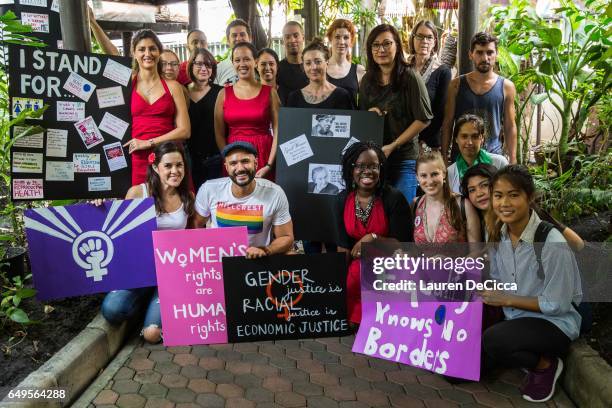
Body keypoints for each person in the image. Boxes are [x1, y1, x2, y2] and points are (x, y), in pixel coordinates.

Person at [481, 165, 582, 402]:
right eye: (498, 195)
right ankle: (522, 352)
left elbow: (557, 304)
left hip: (554, 323)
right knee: (465, 367)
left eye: (513, 195)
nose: (504, 203)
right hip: (515, 318)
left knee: (493, 341)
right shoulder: (497, 233)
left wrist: (507, 299)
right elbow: (498, 279)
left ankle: (545, 364)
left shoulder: (551, 241)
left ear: (530, 198)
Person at [101, 142, 194, 343]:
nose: (175, 171)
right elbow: (117, 229)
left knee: (152, 335)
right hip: (138, 271)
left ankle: (155, 305)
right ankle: (145, 301)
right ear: (155, 167)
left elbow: (195, 239)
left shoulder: (188, 198)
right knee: (112, 310)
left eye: (179, 165)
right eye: (168, 166)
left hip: (170, 272)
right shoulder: (138, 193)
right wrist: (96, 208)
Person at [336, 141, 413, 324]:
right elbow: (343, 246)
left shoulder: (393, 198)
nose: (367, 171)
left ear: (381, 169)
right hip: (358, 266)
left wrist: (373, 239)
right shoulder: (341, 200)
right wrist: (337, 284)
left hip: (389, 265)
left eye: (373, 166)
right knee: (351, 281)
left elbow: (404, 245)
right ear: (351, 169)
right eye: (360, 166)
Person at [359, 24, 433, 204]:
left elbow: (423, 119)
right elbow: (361, 117)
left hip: (404, 159)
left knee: (403, 212)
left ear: (397, 46)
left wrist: (393, 145)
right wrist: (369, 114)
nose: (381, 49)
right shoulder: (368, 79)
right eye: (375, 45)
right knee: (378, 213)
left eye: (387, 43)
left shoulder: (409, 77)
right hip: (375, 160)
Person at [193, 141, 294, 258]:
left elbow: (286, 237)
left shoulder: (274, 193)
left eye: (245, 161)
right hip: (219, 260)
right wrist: (206, 252)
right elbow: (196, 224)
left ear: (256, 163)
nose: (240, 168)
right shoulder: (209, 189)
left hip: (256, 261)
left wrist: (266, 250)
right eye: (233, 163)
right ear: (226, 167)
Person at [460, 164, 584, 251]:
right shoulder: (475, 220)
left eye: (484, 185)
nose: (479, 193)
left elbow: (577, 244)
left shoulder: (525, 214)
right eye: (472, 190)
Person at [125, 30, 190, 186]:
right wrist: (93, 23)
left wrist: (149, 142)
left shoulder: (173, 86)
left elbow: (185, 130)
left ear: (159, 52)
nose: (147, 53)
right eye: (141, 49)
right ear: (134, 53)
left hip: (170, 156)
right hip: (138, 157)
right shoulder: (127, 84)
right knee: (142, 207)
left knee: (175, 206)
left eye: (152, 48)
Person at [442, 32, 517, 164]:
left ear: (496, 54)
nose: (485, 58)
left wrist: (513, 159)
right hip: (461, 158)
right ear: (471, 54)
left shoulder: (506, 87)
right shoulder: (456, 85)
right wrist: (443, 157)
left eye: (489, 52)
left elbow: (510, 126)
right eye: (479, 52)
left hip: (492, 157)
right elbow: (448, 123)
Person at [214, 42, 280, 180]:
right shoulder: (223, 94)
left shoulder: (270, 93)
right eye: (237, 60)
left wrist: (269, 164)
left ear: (255, 62)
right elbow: (219, 134)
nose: (242, 64)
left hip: (263, 154)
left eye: (246, 59)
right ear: (232, 63)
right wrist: (227, 159)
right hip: (234, 156)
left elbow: (279, 130)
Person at [413, 151, 481, 243]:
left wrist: (447, 258)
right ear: (417, 177)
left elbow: (476, 252)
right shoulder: (415, 205)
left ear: (444, 173)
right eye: (423, 176)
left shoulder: (463, 205)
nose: (430, 181)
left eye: (434, 174)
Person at [408, 20, 452, 151]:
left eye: (429, 37)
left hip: (427, 143)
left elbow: (439, 114)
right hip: (401, 140)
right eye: (420, 36)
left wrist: (422, 140)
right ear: (413, 38)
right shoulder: (402, 67)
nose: (424, 41)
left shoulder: (443, 71)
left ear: (435, 42)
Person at [187, 48, 223, 188]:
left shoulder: (220, 91)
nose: (203, 68)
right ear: (191, 65)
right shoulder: (182, 90)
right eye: (199, 64)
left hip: (215, 158)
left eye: (208, 65)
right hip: (189, 159)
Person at [286, 38, 354, 110]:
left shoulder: (342, 96)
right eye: (308, 63)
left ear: (327, 63)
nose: (313, 67)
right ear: (303, 66)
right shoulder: (294, 98)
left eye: (318, 62)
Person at [447, 114, 508, 193]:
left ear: (482, 138)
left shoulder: (499, 163)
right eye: (464, 136)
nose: (469, 142)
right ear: (456, 139)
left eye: (475, 136)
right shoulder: (450, 173)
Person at [325, 19, 366, 107]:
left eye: (346, 37)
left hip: (353, 120)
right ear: (330, 39)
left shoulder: (359, 71)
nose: (342, 42)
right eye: (337, 37)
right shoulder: (321, 68)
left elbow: (366, 103)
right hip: (326, 120)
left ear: (351, 41)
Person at [277, 21, 309, 105]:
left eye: (296, 36)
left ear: (303, 37)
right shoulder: (277, 69)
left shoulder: (312, 68)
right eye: (287, 37)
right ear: (283, 40)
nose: (292, 40)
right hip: (286, 116)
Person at [215, 19, 251, 86]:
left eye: (242, 34)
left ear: (250, 38)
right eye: (234, 35)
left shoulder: (259, 66)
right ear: (228, 40)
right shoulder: (218, 69)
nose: (238, 38)